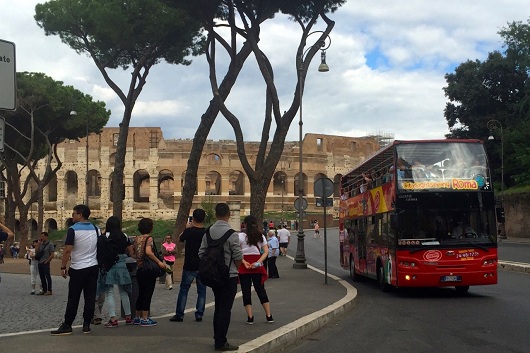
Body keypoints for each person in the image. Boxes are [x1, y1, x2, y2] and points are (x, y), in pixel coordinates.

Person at [198, 203, 242, 351]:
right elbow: (237, 256)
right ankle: (221, 342)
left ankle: (217, 338)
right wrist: (237, 268)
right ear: (229, 214)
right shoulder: (232, 234)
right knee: (225, 309)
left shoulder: (208, 232)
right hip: (229, 276)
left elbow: (201, 253)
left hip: (213, 275)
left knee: (218, 307)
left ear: (216, 214)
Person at [51, 204, 99, 336]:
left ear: (80, 215)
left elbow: (67, 250)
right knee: (90, 297)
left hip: (78, 267)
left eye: (74, 214)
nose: (72, 216)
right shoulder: (96, 229)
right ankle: (86, 324)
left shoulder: (73, 230)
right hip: (93, 266)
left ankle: (68, 324)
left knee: (73, 297)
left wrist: (63, 266)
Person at [170, 208, 207, 322]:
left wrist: (187, 227)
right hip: (202, 264)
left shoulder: (189, 231)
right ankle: (199, 313)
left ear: (193, 218)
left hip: (190, 263)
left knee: (184, 289)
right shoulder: (206, 232)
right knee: (201, 291)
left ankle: (179, 314)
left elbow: (180, 238)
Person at [98, 216, 134, 328]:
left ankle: (113, 318)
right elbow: (130, 251)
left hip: (109, 265)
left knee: (109, 293)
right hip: (122, 264)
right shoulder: (124, 236)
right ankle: (128, 316)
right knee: (123, 292)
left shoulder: (105, 236)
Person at [238, 215, 273, 325]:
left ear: (245, 224)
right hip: (257, 263)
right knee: (260, 290)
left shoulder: (240, 236)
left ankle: (250, 317)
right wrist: (258, 263)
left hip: (245, 265)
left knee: (246, 291)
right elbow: (266, 251)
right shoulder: (261, 236)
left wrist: (244, 262)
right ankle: (268, 315)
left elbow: (237, 252)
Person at [133, 218, 166, 327]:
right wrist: (159, 262)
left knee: (141, 293)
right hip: (148, 269)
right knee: (148, 293)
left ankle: (137, 317)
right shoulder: (149, 239)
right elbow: (148, 252)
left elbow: (134, 253)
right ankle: (145, 318)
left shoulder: (137, 238)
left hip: (139, 268)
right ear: (150, 228)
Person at [36, 232, 55, 296]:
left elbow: (52, 254)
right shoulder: (41, 244)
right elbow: (37, 252)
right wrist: (38, 244)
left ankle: (49, 290)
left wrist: (47, 261)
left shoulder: (50, 244)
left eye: (43, 236)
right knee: (42, 277)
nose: (41, 238)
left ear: (46, 237)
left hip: (45, 262)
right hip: (40, 262)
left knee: (47, 276)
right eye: (41, 236)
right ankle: (44, 289)